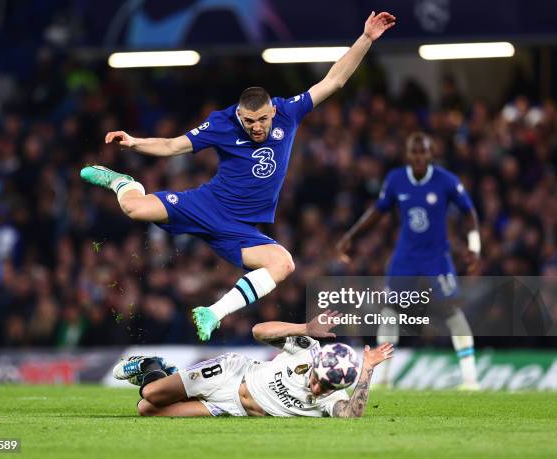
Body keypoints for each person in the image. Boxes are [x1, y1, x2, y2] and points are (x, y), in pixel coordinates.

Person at [79, 11, 396, 341]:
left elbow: (334, 80)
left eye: (262, 120)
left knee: (283, 264)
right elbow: (173, 146)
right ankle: (122, 182)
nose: (256, 127)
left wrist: (366, 38)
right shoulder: (222, 123)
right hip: (206, 205)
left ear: (273, 110)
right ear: (239, 115)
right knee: (133, 209)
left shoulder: (289, 112)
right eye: (249, 121)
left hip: (239, 228)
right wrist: (134, 142)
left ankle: (213, 312)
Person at [336, 132, 481, 390]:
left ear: (431, 154)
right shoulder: (396, 180)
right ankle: (383, 378)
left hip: (437, 257)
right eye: (414, 152)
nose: (418, 157)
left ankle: (470, 379)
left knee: (450, 310)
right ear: (407, 155)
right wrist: (351, 236)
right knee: (391, 310)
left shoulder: (445, 181)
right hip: (406, 257)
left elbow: (469, 212)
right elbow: (377, 212)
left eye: (423, 152)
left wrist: (474, 246)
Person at [113, 311, 394, 418]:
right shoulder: (308, 351)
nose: (319, 388)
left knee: (146, 410)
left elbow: (351, 416)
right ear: (318, 363)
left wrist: (367, 370)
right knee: (150, 394)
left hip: (229, 407)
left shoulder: (333, 397)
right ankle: (150, 364)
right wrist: (305, 326)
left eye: (327, 386)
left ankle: (165, 374)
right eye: (319, 379)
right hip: (231, 374)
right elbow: (259, 331)